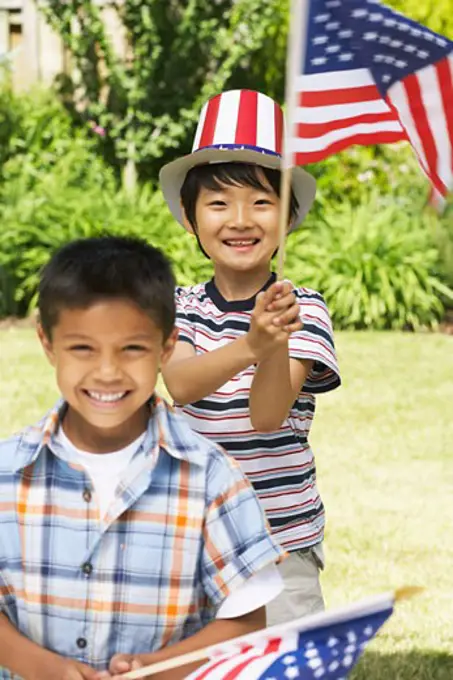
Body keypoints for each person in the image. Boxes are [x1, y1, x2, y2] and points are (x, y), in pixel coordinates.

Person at [0, 235, 287, 680]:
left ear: (166, 348)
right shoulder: (7, 473)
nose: (108, 371)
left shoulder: (213, 479)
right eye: (83, 349)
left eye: (132, 348)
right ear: (47, 344)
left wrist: (155, 668)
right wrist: (43, 668)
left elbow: (247, 621)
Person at [160, 89, 341, 626]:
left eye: (262, 202)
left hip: (280, 540)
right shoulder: (180, 306)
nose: (240, 219)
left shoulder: (304, 308)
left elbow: (267, 416)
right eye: (218, 203)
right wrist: (251, 344)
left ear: (288, 220)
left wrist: (275, 338)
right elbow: (182, 385)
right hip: (195, 534)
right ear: (190, 220)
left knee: (281, 663)